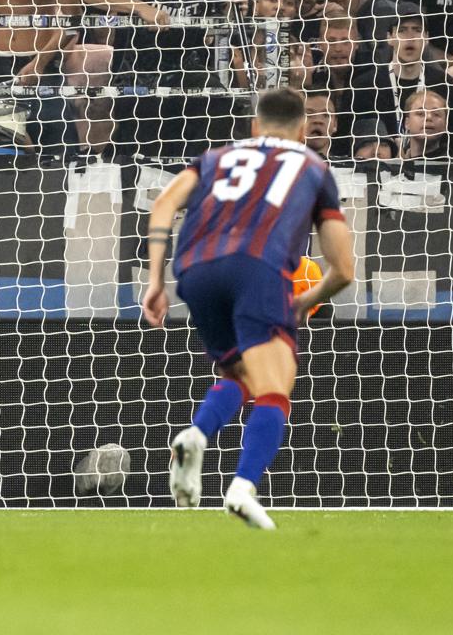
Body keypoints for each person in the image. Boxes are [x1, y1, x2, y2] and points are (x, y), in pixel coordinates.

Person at [140, 86, 356, 530]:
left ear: (254, 127)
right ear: (301, 131)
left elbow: (163, 205)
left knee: (239, 372)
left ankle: (196, 434)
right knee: (275, 387)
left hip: (195, 271)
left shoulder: (216, 157)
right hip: (257, 269)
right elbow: (345, 269)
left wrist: (156, 281)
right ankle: (242, 488)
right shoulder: (313, 167)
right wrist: (306, 301)